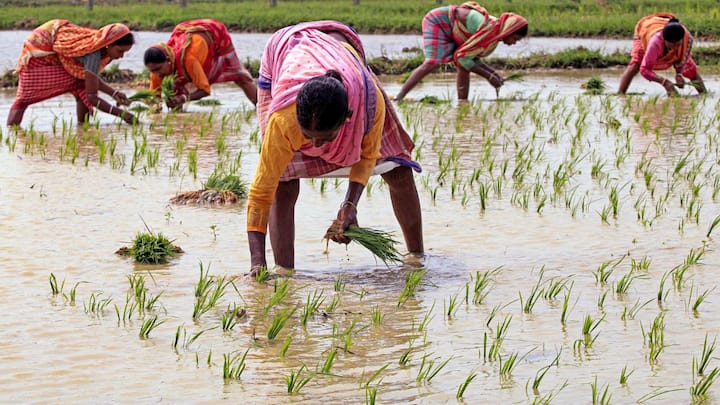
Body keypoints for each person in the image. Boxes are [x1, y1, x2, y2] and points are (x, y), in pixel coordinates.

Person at [247, 20, 424, 274]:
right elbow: (261, 192)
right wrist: (256, 263)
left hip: (348, 65)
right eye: (309, 136)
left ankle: (417, 257)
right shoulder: (284, 120)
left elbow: (367, 157)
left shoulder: (368, 105)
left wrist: (349, 206)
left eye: (325, 138)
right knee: (282, 183)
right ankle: (283, 272)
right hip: (285, 50)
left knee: (398, 171)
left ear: (348, 119)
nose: (314, 145)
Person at [7, 19, 136, 127]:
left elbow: (91, 77)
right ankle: (12, 134)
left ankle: (82, 128)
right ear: (108, 44)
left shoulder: (101, 46)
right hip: (38, 51)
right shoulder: (93, 53)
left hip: (53, 44)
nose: (121, 57)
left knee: (81, 83)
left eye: (125, 52)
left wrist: (114, 93)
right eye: (120, 51)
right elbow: (92, 97)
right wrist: (122, 114)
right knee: (23, 100)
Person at [394, 2, 528, 101]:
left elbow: (471, 57)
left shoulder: (495, 34)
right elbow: (462, 58)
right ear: (509, 30)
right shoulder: (487, 28)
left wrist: (494, 74)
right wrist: (489, 77)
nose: (513, 43)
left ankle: (462, 103)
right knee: (432, 63)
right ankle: (399, 97)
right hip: (439, 21)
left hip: (454, 29)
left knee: (464, 66)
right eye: (514, 38)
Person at [143, 19, 257, 109]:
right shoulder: (156, 72)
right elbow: (153, 98)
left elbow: (205, 91)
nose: (157, 74)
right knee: (174, 86)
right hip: (188, 35)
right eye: (153, 71)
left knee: (240, 77)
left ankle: (263, 107)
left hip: (215, 34)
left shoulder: (188, 60)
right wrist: (153, 107)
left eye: (159, 69)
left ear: (168, 59)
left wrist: (183, 98)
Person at [618, 13, 706, 96]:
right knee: (635, 64)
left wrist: (679, 74)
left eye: (677, 44)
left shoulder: (687, 39)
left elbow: (683, 58)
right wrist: (664, 82)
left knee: (689, 67)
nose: (675, 47)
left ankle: (704, 95)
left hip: (668, 35)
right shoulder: (655, 43)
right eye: (671, 44)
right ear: (664, 40)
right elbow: (644, 69)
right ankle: (620, 94)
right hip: (646, 31)